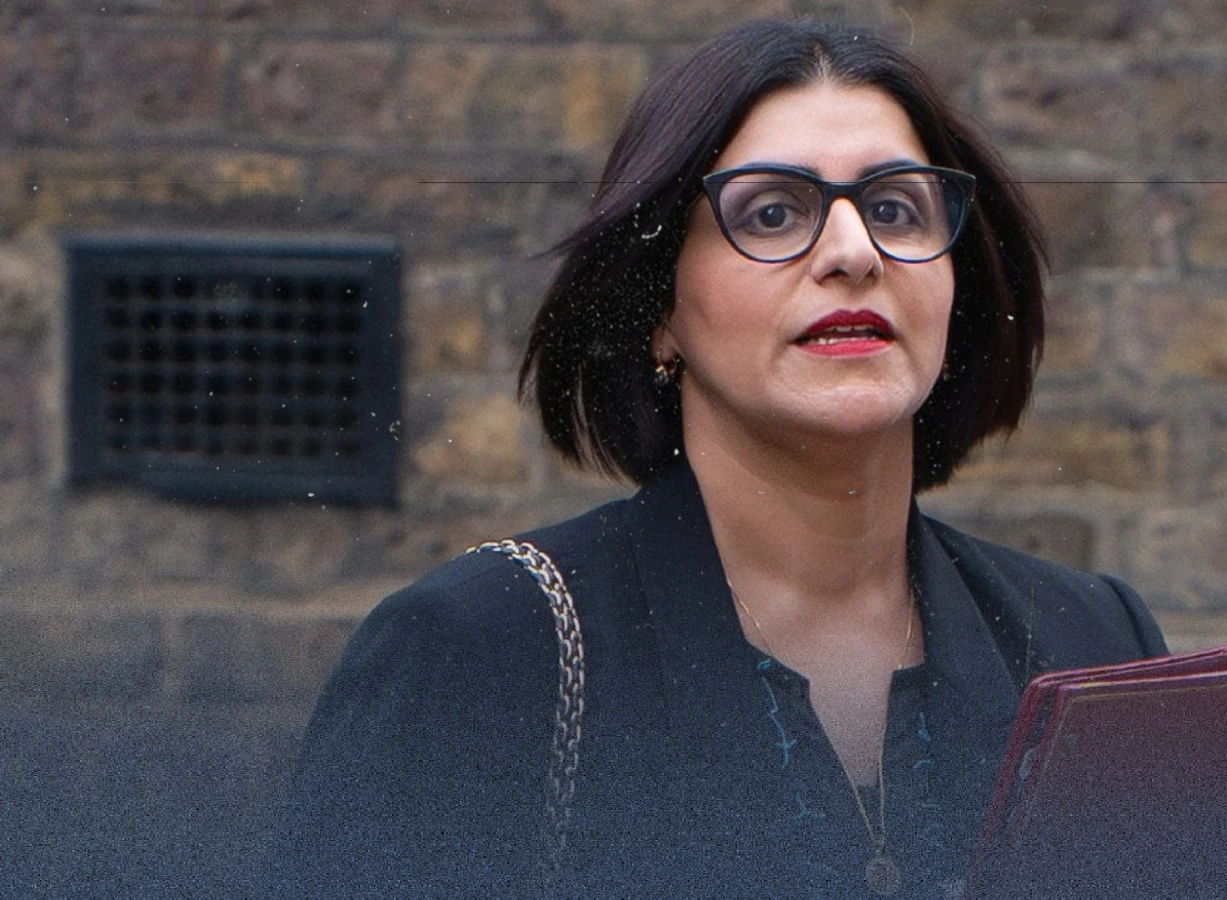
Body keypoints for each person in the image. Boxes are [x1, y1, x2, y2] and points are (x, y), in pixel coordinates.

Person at [279, 18, 1166, 899]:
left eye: (895, 208)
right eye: (772, 213)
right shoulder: (482, 652)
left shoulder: (1096, 647)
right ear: (660, 308)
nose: (854, 253)